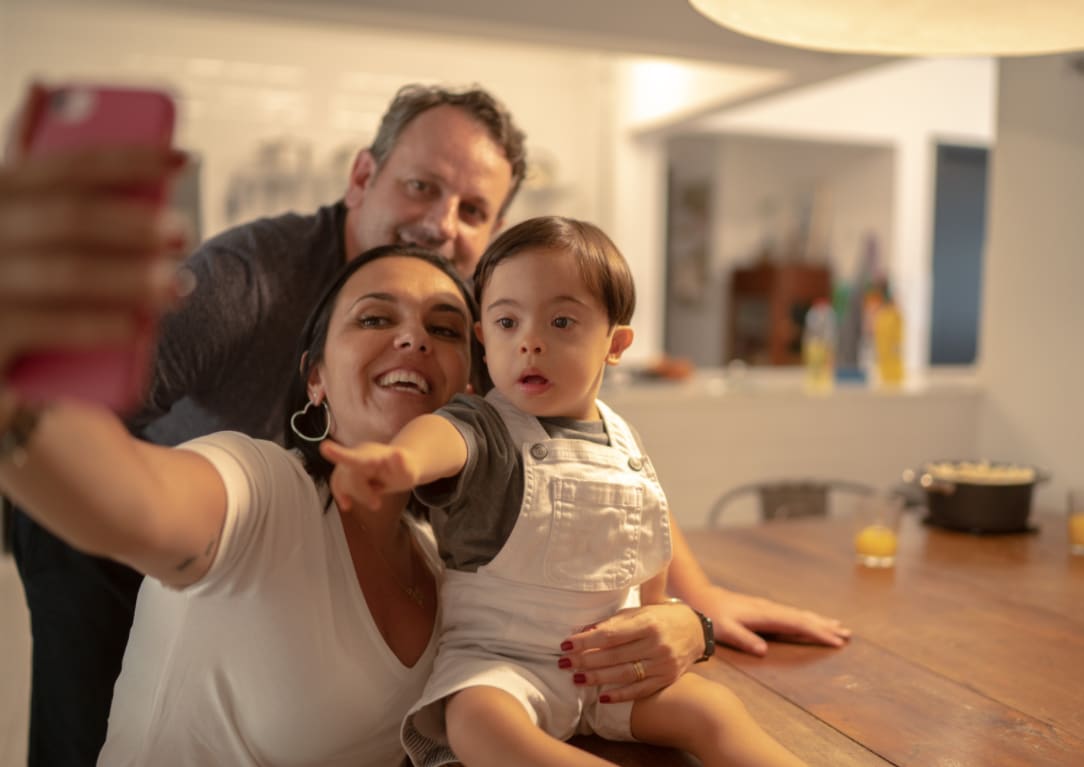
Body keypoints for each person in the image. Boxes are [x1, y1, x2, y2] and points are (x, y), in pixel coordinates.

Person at [0, 81, 847, 765]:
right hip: (140, 513)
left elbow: (598, 468)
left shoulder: (453, 550)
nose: (443, 222)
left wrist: (693, 615)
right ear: (362, 178)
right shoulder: (246, 324)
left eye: (446, 327)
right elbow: (134, 488)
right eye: (374, 317)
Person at [323, 217, 807, 767]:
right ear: (484, 338)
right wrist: (401, 461)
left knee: (714, 710)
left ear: (615, 344)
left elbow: (648, 542)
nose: (529, 342)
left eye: (560, 322)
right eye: (507, 322)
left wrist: (656, 616)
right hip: (503, 667)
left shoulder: (624, 442)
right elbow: (441, 439)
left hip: (610, 669)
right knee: (476, 722)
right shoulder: (486, 426)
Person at [0, 245, 479, 765]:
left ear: (469, 396)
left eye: (445, 329)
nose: (415, 339)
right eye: (375, 318)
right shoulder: (262, 488)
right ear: (315, 379)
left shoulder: (442, 568)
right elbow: (132, 500)